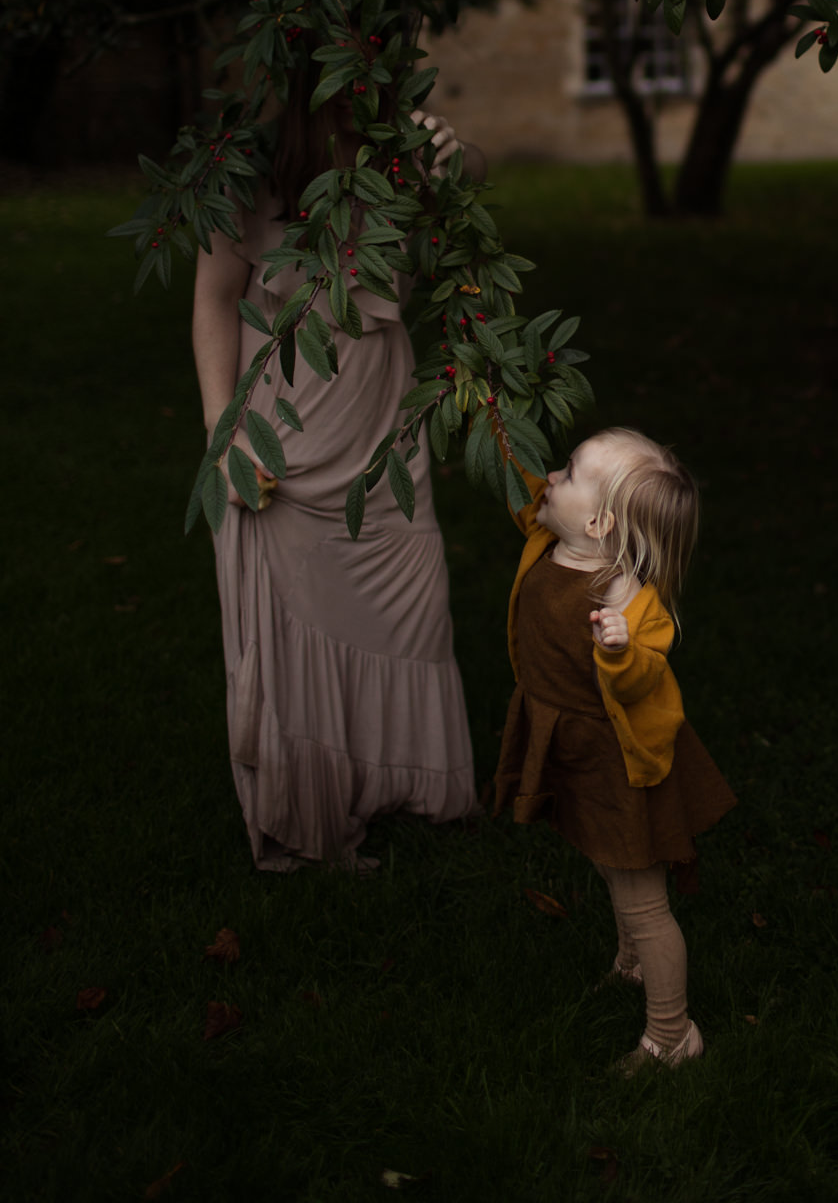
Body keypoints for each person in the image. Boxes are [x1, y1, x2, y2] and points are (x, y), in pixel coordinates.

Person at [191, 84, 482, 872]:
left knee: (412, 603)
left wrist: (446, 175)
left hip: (381, 423)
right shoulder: (248, 169)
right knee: (296, 625)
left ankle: (402, 783)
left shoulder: (406, 152)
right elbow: (215, 301)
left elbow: (448, 266)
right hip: (283, 429)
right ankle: (312, 801)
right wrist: (226, 434)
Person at [493, 428, 736, 1069]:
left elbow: (643, 679)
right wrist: (489, 414)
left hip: (619, 764)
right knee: (604, 863)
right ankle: (629, 963)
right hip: (570, 742)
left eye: (570, 473)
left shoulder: (630, 601)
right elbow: (516, 476)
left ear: (599, 521)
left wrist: (618, 651)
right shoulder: (551, 532)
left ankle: (671, 1035)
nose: (552, 477)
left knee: (642, 898)